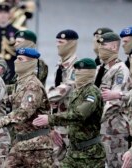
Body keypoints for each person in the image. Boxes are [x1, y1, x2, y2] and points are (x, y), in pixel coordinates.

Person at [0, 48, 54, 167]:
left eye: (20, 59)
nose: (16, 62)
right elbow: (8, 98)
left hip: (37, 146)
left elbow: (24, 112)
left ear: (29, 63)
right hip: (21, 142)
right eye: (16, 58)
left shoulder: (33, 85)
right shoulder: (20, 84)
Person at [33, 58, 106, 168]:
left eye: (80, 70)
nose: (76, 72)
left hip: (90, 154)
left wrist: (50, 119)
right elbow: (69, 115)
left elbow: (79, 115)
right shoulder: (76, 92)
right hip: (74, 152)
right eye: (75, 70)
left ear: (89, 73)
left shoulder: (92, 92)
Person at [96, 32, 131, 168]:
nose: (100, 48)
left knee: (115, 163)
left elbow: (114, 101)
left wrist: (94, 120)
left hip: (114, 130)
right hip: (101, 129)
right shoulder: (100, 69)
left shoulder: (121, 70)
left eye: (104, 45)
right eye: (99, 45)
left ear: (114, 47)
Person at [47, 29, 78, 163]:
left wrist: (44, 97)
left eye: (61, 42)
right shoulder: (60, 67)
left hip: (71, 125)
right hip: (58, 124)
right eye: (57, 42)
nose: (57, 45)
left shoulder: (77, 67)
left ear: (71, 44)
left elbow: (64, 89)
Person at [0, 2, 19, 83]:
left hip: (11, 67)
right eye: (0, 12)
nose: (3, 15)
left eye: (5, 12)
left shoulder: (15, 31)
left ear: (9, 14)